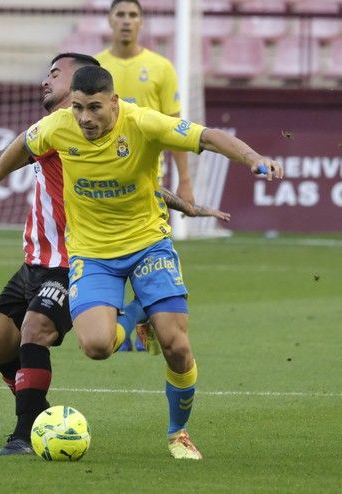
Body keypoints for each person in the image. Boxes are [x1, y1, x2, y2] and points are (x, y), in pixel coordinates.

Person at [0, 65, 283, 460]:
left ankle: (178, 434)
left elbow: (207, 137)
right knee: (95, 346)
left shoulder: (143, 122)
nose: (85, 118)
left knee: (176, 345)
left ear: (114, 102)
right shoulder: (58, 125)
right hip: (92, 254)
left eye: (94, 108)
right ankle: (130, 322)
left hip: (148, 245)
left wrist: (252, 158)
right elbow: (22, 146)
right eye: (78, 108)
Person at [95, 0, 195, 351]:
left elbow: (177, 131)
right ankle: (120, 327)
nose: (126, 21)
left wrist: (184, 181)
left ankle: (144, 328)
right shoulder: (95, 67)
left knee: (150, 257)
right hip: (103, 185)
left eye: (132, 15)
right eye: (120, 14)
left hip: (150, 184)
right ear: (109, 20)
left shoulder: (160, 68)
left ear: (142, 22)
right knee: (105, 255)